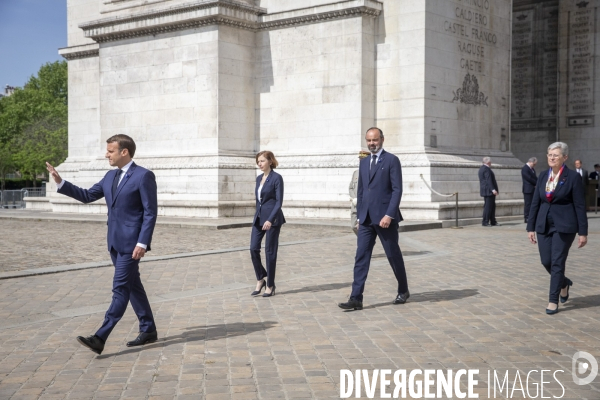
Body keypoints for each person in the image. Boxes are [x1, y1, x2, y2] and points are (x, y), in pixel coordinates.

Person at [45, 134, 158, 355]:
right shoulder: (109, 177)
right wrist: (60, 182)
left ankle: (100, 337)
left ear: (124, 152)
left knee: (120, 290)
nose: (107, 155)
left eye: (110, 151)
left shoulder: (144, 176)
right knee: (133, 287)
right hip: (115, 243)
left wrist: (142, 242)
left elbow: (150, 212)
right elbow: (87, 196)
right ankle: (149, 329)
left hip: (131, 245)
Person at [338, 127, 409, 310]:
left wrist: (389, 214)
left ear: (382, 140)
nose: (371, 144)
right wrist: (360, 216)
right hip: (366, 220)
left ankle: (403, 289)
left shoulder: (392, 160)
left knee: (393, 255)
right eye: (368, 140)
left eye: (375, 140)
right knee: (361, 256)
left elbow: (397, 190)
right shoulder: (363, 162)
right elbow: (361, 192)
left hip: (385, 219)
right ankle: (356, 298)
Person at [527, 142, 588, 315]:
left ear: (565, 158)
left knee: (557, 262)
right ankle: (563, 283)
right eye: (549, 155)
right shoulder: (542, 176)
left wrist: (583, 232)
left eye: (556, 155)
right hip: (543, 224)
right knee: (546, 261)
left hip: (564, 226)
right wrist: (530, 227)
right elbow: (535, 203)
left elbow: (579, 206)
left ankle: (553, 300)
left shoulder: (572, 177)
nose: (552, 158)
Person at [250, 151, 285, 297]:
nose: (259, 163)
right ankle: (260, 278)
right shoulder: (259, 178)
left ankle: (270, 284)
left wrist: (270, 220)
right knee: (253, 248)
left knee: (270, 252)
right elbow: (259, 201)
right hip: (259, 218)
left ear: (270, 161)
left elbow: (279, 202)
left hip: (273, 219)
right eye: (258, 161)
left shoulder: (277, 178)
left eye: (262, 161)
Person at [349, 151, 371, 234]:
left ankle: (364, 243)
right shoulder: (356, 173)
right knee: (353, 226)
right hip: (355, 204)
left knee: (363, 227)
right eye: (360, 159)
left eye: (363, 159)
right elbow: (351, 187)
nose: (360, 161)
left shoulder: (371, 172)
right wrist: (354, 198)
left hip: (364, 204)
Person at [479, 157, 499, 226]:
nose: (491, 163)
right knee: (488, 207)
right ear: (488, 162)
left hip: (486, 190)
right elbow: (489, 180)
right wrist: (493, 190)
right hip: (488, 191)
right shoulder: (486, 169)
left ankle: (493, 221)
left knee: (492, 206)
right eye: (490, 162)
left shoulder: (482, 168)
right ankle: (485, 221)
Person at [522, 157, 538, 223]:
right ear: (530, 162)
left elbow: (535, 177)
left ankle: (531, 217)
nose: (534, 165)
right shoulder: (525, 168)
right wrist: (536, 183)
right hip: (527, 189)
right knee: (528, 204)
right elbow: (528, 178)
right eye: (534, 164)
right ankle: (527, 217)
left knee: (532, 203)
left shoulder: (532, 169)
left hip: (532, 189)